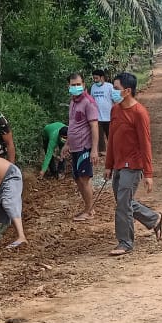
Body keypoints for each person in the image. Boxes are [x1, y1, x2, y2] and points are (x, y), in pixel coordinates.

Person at [104, 72, 162, 256]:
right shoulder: (115, 110)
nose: (113, 91)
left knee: (123, 203)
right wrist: (108, 165)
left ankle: (125, 242)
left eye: (116, 88)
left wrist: (148, 174)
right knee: (124, 201)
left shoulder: (139, 113)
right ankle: (154, 218)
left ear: (127, 91)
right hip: (119, 164)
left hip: (133, 164)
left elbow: (145, 144)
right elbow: (112, 139)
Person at [64, 73, 100, 221]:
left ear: (84, 85)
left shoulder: (88, 102)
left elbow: (94, 126)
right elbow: (72, 124)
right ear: (68, 86)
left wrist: (94, 149)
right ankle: (88, 207)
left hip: (84, 147)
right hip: (75, 147)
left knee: (84, 179)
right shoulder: (73, 102)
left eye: (78, 84)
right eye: (73, 85)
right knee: (79, 179)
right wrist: (67, 144)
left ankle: (89, 211)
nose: (75, 87)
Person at [89, 70, 116, 157]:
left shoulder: (109, 86)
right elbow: (91, 100)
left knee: (111, 134)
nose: (95, 80)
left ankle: (114, 150)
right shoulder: (93, 87)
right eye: (94, 78)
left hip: (109, 116)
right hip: (97, 116)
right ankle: (102, 151)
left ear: (102, 77)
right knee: (99, 135)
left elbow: (115, 99)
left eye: (97, 78)